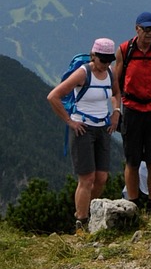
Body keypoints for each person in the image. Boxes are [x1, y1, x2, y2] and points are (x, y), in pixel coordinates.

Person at [47, 38, 121, 233]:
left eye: (109, 60)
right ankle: (81, 221)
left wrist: (116, 112)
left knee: (102, 177)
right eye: (102, 60)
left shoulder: (110, 73)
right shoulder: (82, 74)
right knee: (86, 178)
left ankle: (89, 211)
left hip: (103, 128)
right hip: (83, 129)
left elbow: (116, 94)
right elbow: (53, 96)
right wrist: (70, 122)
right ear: (93, 56)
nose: (105, 64)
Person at [115, 12, 151, 209]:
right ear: (137, 28)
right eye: (146, 29)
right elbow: (115, 83)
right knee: (131, 161)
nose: (150, 33)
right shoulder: (125, 50)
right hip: (131, 110)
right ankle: (132, 203)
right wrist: (116, 110)